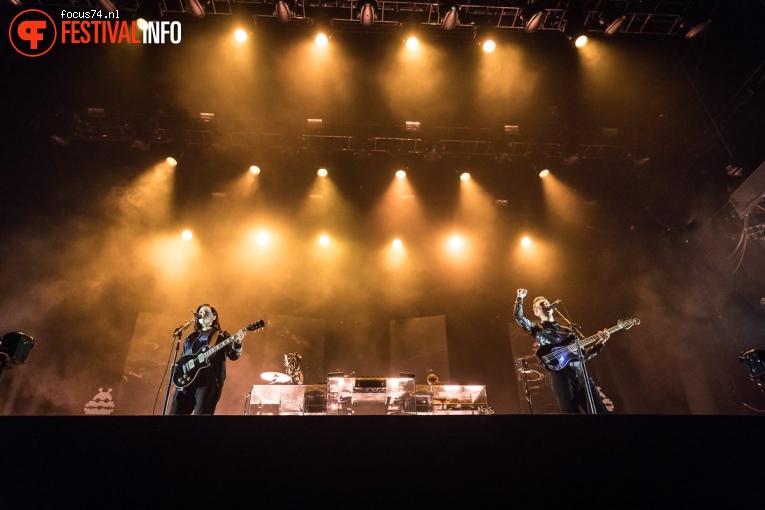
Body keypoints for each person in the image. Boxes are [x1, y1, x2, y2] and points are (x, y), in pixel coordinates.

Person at [514, 288, 610, 414]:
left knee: (601, 413)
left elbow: (584, 355)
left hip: (581, 374)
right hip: (561, 376)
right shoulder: (537, 329)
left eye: (547, 303)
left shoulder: (568, 330)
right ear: (537, 312)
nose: (546, 305)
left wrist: (601, 342)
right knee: (571, 413)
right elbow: (519, 317)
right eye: (542, 305)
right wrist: (520, 298)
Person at [170, 304, 243, 415]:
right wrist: (178, 366)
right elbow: (184, 357)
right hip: (187, 379)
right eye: (200, 312)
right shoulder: (191, 336)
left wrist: (237, 344)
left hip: (208, 381)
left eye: (206, 312)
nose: (202, 314)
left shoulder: (221, 336)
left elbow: (233, 356)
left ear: (214, 317)